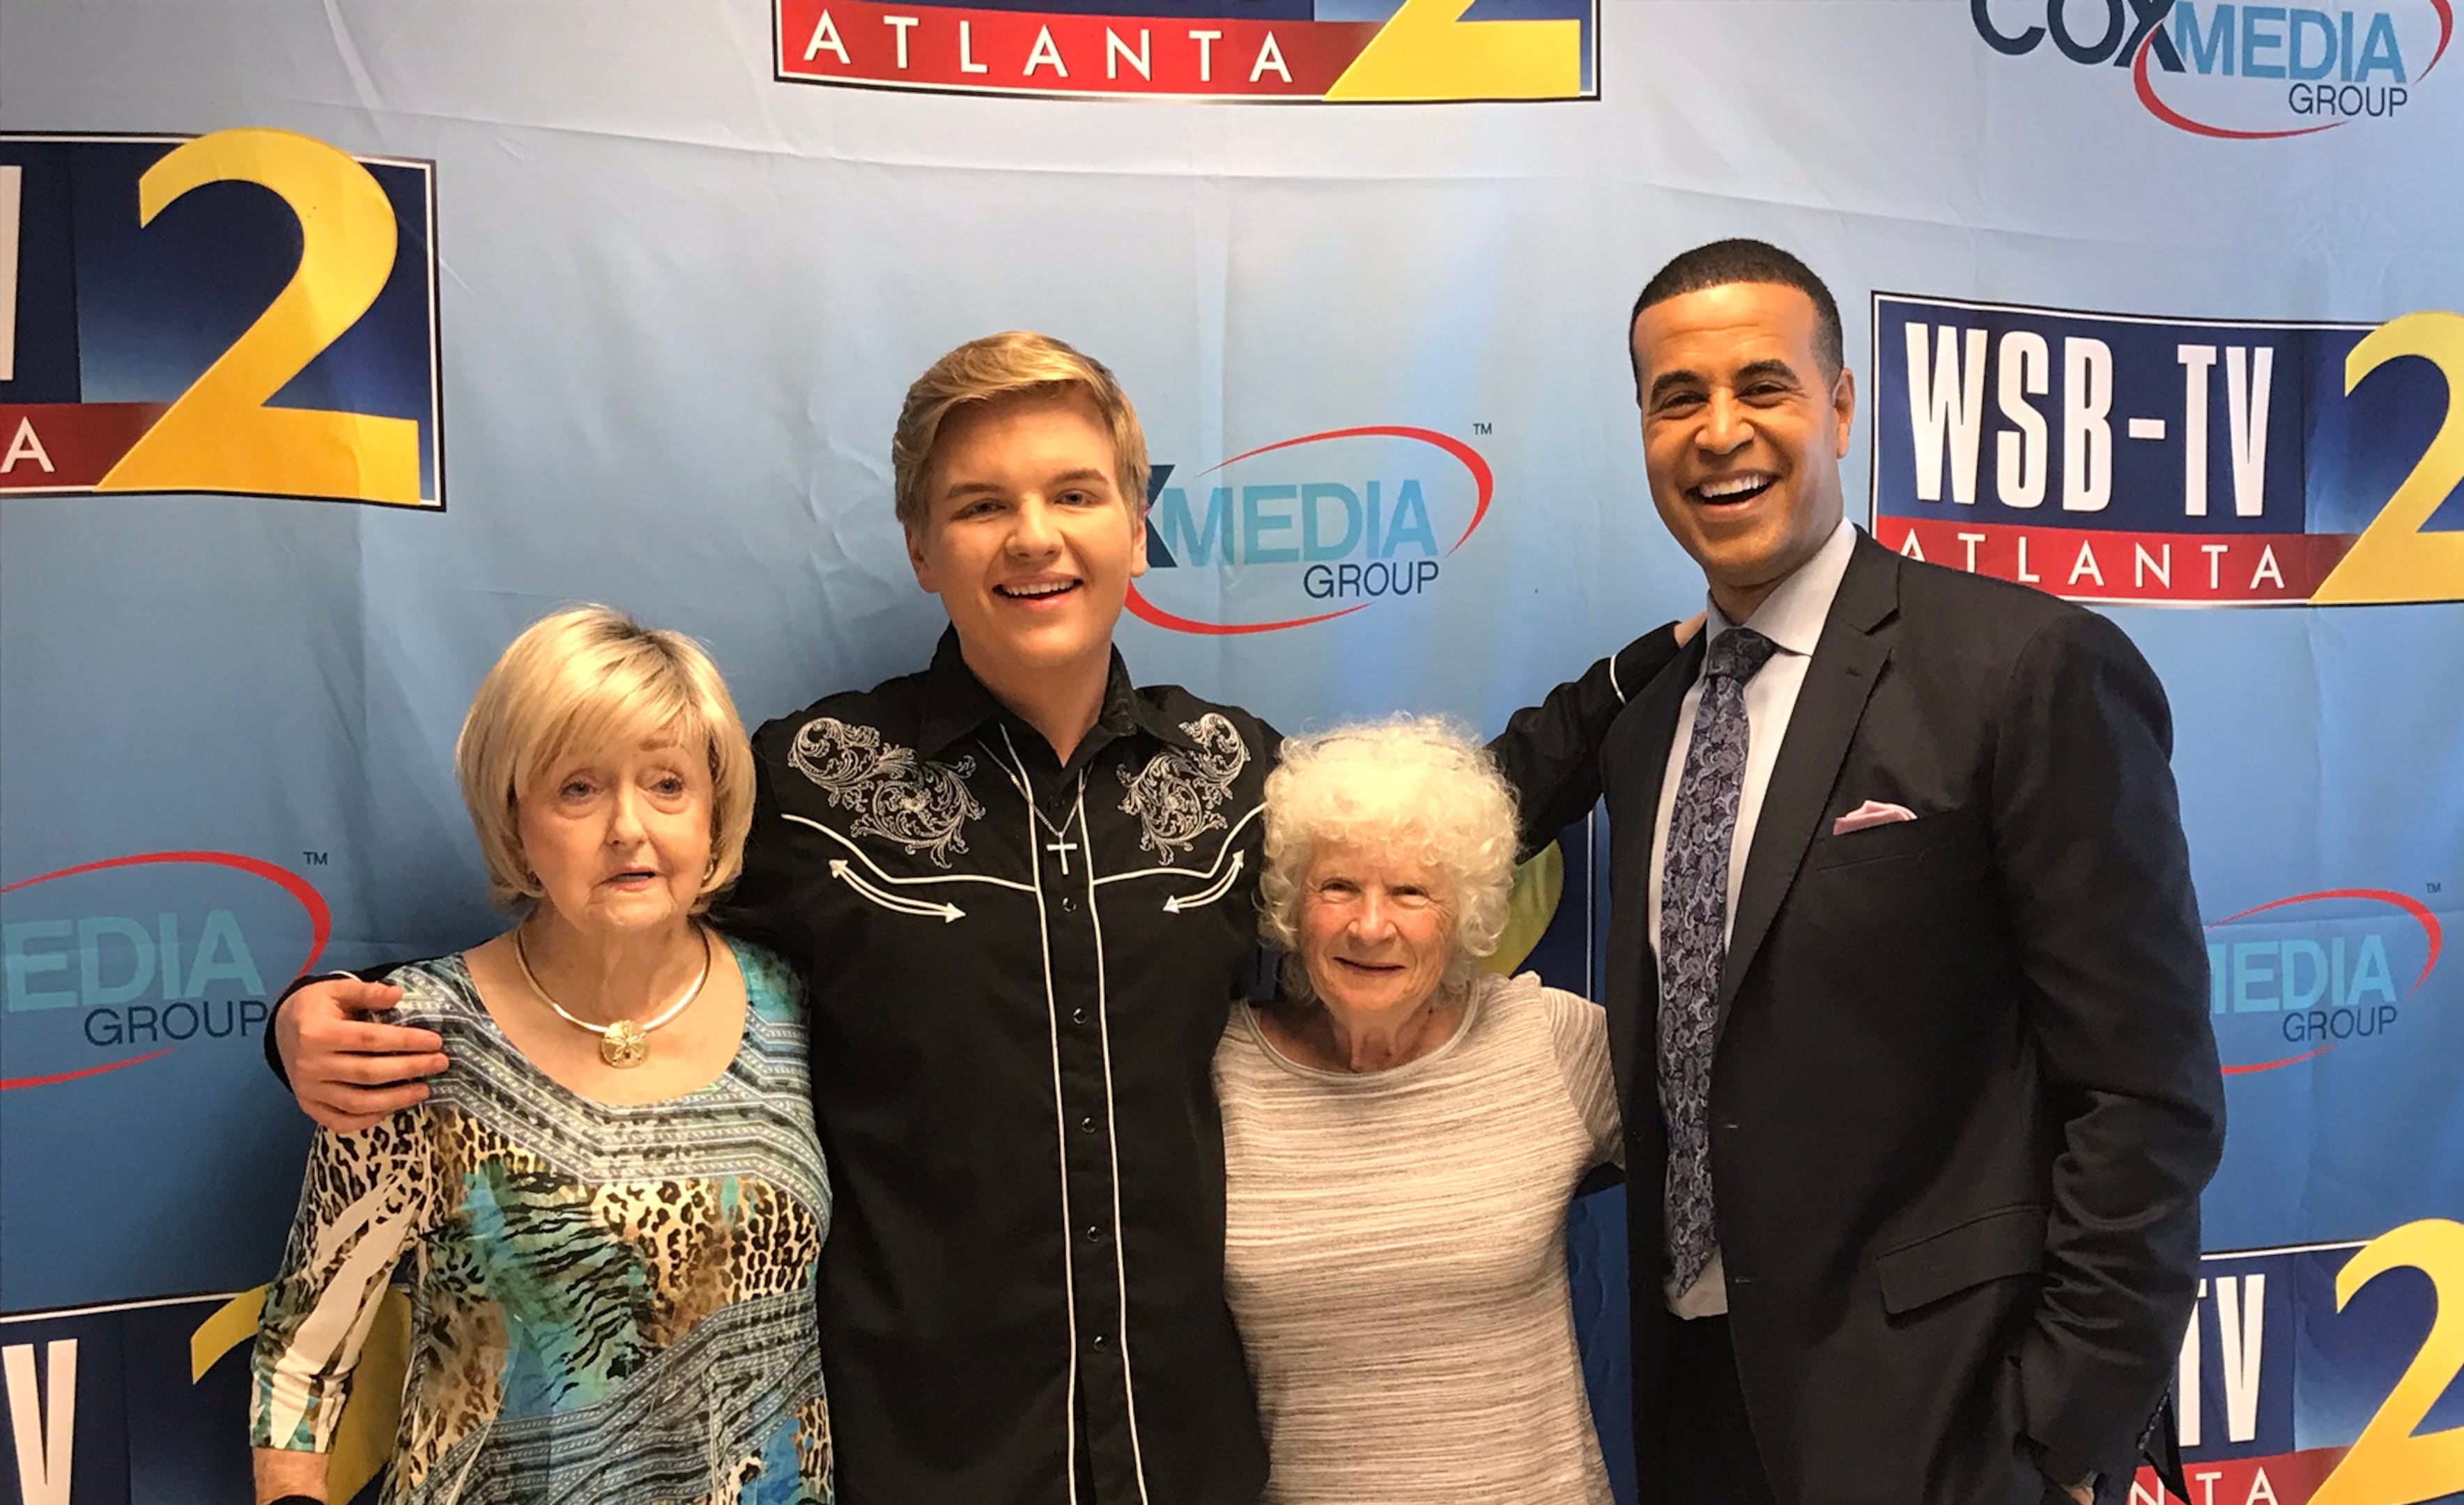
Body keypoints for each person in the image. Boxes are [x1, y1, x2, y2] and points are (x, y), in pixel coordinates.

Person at [267, 332, 1691, 1504]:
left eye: (1075, 493)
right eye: (980, 505)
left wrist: (1646, 674)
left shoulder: (1229, 773)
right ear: (920, 545)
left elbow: (1420, 843)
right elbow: (602, 912)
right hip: (925, 1463)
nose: (1034, 537)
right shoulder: (813, 782)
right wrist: (323, 1020)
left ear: (1137, 524)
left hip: (1187, 1457)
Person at [1596, 239, 2224, 1505]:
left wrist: (2064, 1433)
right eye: (1678, 399)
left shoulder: (2022, 667)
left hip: (1953, 1423)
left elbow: (2145, 1092)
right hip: (1700, 1417)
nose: (1720, 433)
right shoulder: (1649, 725)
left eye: (1763, 387)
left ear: (1839, 407)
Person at [249, 606, 829, 1504]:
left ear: (715, 813)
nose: (629, 826)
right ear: (516, 822)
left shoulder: (795, 1005)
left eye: (667, 784)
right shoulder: (421, 1037)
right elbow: (304, 1352)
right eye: (579, 789)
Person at [1218, 719, 1620, 1504]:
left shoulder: (1547, 1042)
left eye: (1410, 892)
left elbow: (1741, 1158)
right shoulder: (1218, 1072)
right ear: (1291, 904)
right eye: (1338, 887)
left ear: (1463, 911)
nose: (1371, 926)